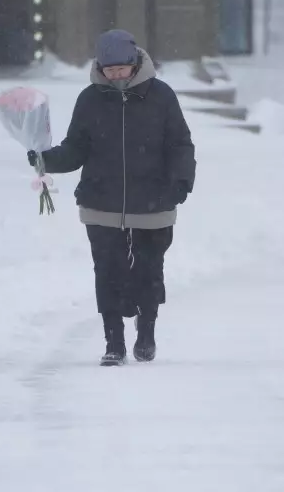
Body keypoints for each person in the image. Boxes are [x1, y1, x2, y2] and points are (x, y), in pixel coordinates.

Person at [27, 29, 196, 366]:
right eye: (109, 69)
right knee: (107, 271)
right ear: (100, 67)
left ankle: (146, 330)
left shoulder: (161, 96)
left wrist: (181, 183)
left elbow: (180, 144)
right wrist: (47, 159)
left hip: (154, 201)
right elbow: (76, 148)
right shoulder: (89, 99)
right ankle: (113, 342)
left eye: (122, 68)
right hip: (101, 202)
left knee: (149, 270)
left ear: (135, 63)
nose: (116, 75)